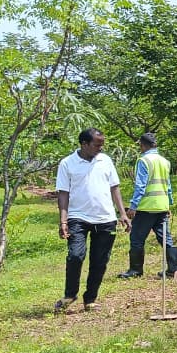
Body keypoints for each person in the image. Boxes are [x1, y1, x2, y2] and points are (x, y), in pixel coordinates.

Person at [54, 129, 131, 312]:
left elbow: (115, 188)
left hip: (105, 218)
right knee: (75, 255)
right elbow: (63, 193)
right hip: (77, 217)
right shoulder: (67, 163)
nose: (100, 148)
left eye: (102, 144)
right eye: (97, 144)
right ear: (84, 144)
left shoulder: (106, 161)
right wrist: (63, 221)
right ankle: (70, 295)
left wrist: (123, 213)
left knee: (100, 260)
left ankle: (90, 299)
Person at [119, 132, 176, 279]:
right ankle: (173, 269)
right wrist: (169, 203)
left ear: (142, 145)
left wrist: (133, 206)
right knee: (165, 238)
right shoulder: (164, 161)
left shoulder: (144, 161)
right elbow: (168, 185)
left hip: (146, 207)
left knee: (137, 238)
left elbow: (140, 186)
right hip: (162, 206)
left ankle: (135, 270)